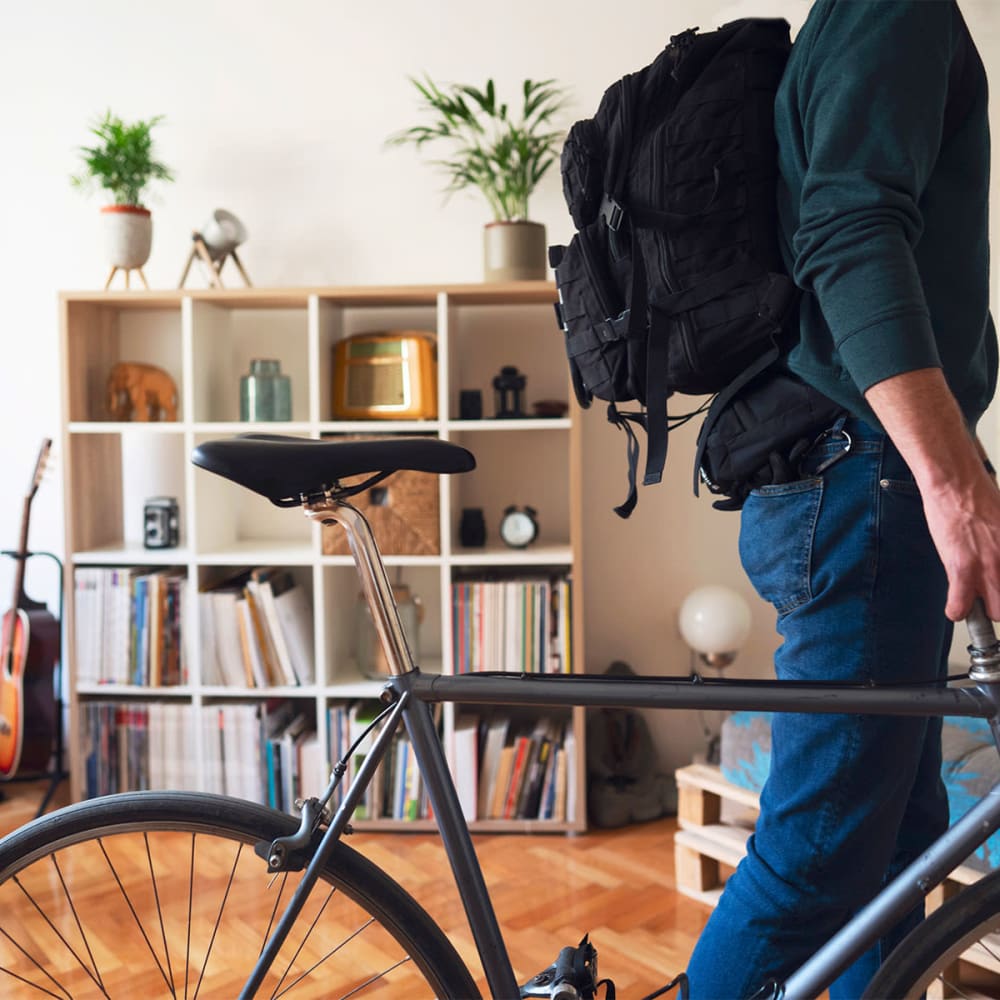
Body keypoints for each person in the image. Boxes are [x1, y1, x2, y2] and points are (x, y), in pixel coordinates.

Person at [685, 1, 998, 997]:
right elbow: (849, 231)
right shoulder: (893, 8)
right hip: (864, 483)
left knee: (889, 858)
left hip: (846, 477)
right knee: (820, 860)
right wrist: (951, 481)